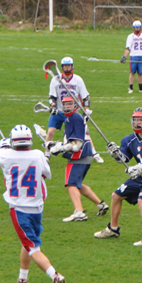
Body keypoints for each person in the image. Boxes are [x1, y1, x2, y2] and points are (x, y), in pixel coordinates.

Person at [0, 124, 66, 283]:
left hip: (19, 208)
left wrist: (4, 146)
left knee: (32, 247)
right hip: (37, 207)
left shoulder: (5, 154)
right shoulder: (38, 155)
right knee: (28, 242)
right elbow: (47, 174)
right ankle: (22, 279)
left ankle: (54, 275)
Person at [97, 107, 142, 246]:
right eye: (135, 120)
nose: (137, 123)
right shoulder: (128, 140)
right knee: (116, 196)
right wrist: (115, 154)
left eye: (141, 120)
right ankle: (113, 229)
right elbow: (124, 159)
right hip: (141, 175)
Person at [47, 91, 109, 222]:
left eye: (70, 104)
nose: (67, 107)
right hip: (85, 157)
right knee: (77, 185)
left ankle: (79, 212)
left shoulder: (74, 118)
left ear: (75, 104)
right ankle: (101, 204)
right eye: (65, 104)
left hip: (79, 157)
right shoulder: (73, 117)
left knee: (70, 184)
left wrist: (60, 148)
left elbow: (76, 145)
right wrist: (55, 145)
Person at [45, 57, 103, 163]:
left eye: (69, 66)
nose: (67, 68)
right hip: (59, 110)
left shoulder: (78, 80)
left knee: (85, 132)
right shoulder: (56, 80)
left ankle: (94, 153)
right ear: (62, 68)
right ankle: (47, 155)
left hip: (73, 112)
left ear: (72, 67)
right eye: (65, 66)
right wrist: (53, 106)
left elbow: (86, 97)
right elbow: (52, 97)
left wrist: (86, 110)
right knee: (50, 132)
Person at [122, 20, 142, 94]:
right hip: (133, 56)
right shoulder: (130, 37)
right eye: (136, 28)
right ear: (133, 28)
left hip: (141, 56)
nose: (137, 29)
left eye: (138, 28)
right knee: (132, 72)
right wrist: (124, 56)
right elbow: (128, 48)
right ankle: (131, 88)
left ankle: (141, 88)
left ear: (141, 28)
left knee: (140, 73)